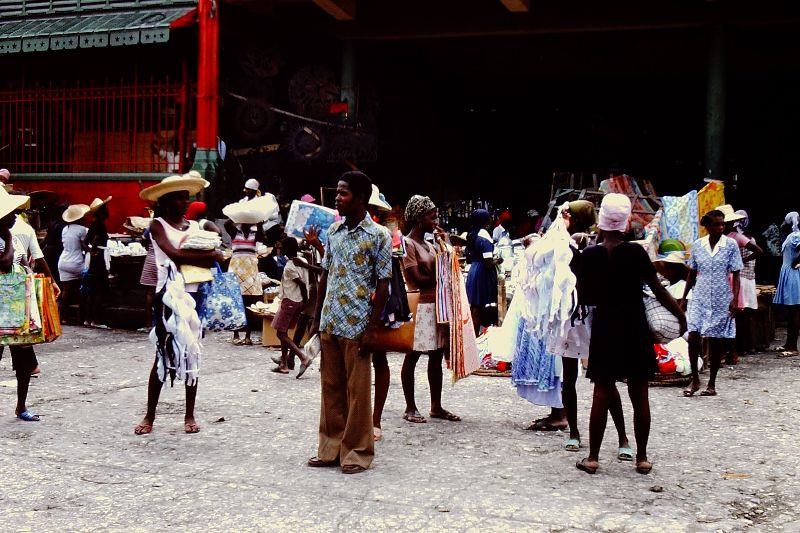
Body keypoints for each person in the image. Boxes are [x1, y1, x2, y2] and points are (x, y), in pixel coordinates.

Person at [576, 193, 685, 475]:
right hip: (634, 324)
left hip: (605, 326)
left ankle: (593, 457)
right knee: (639, 393)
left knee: (602, 391)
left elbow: (584, 297)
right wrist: (681, 316)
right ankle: (642, 457)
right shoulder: (636, 253)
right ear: (626, 223)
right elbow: (658, 289)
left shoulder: (589, 255)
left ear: (601, 221)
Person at [307, 171, 392, 474]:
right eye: (337, 192)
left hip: (357, 325)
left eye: (343, 193)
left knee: (358, 393)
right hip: (330, 321)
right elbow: (325, 275)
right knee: (330, 389)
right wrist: (316, 318)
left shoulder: (379, 236)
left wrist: (372, 329)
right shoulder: (333, 232)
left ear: (360, 198)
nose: (337, 198)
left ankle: (356, 452)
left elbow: (383, 284)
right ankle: (330, 448)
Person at [133, 172, 223, 436]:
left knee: (191, 351)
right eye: (180, 198)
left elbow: (210, 257)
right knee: (163, 353)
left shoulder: (194, 227)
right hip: (168, 297)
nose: (185, 202)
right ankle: (150, 415)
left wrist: (206, 255)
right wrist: (209, 254)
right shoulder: (157, 225)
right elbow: (173, 254)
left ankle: (189, 414)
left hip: (194, 295)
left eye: (187, 197)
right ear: (166, 201)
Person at [400, 195, 460, 426]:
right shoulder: (408, 244)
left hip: (436, 305)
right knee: (413, 354)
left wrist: (445, 246)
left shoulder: (430, 245)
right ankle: (410, 406)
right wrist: (442, 270)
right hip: (420, 305)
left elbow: (442, 271)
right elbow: (417, 278)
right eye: (431, 217)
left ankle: (436, 406)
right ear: (419, 218)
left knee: (436, 355)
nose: (435, 221)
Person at [0, 188, 56, 421]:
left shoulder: (10, 235)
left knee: (23, 360)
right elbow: (5, 263)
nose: (16, 215)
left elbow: (23, 261)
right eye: (11, 213)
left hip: (17, 307)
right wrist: (9, 239)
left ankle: (21, 406)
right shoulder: (6, 237)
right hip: (2, 308)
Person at [681, 209, 743, 397]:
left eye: (722, 224)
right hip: (699, 296)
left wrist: (734, 299)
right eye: (717, 224)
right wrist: (684, 297)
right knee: (693, 336)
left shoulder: (730, 245)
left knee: (716, 341)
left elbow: (736, 273)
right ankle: (695, 379)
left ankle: (712, 384)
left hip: (721, 297)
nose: (721, 227)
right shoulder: (698, 245)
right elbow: (692, 272)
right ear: (707, 226)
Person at [721, 207, 763, 363]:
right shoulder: (722, 237)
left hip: (738, 278)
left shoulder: (737, 237)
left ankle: (739, 348)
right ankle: (735, 349)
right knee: (734, 315)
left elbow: (758, 251)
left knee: (738, 315)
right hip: (726, 279)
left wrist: (740, 261)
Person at [270, 237, 315, 376]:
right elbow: (309, 279)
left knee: (280, 333)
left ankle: (303, 357)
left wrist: (305, 299)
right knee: (284, 332)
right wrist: (304, 301)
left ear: (286, 249)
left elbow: (301, 284)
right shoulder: (303, 261)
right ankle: (283, 364)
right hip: (298, 301)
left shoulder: (290, 266)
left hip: (290, 301)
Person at [225, 217, 265, 346]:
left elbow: (263, 238)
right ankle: (236, 334)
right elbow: (227, 224)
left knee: (249, 303)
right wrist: (236, 215)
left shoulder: (255, 233)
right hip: (236, 270)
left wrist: (259, 223)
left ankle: (248, 335)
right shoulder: (235, 232)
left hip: (250, 270)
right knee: (236, 302)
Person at [465, 209, 500, 336]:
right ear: (485, 221)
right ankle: (475, 337)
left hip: (474, 270)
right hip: (482, 273)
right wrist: (498, 260)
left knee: (475, 307)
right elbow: (488, 262)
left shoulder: (472, 235)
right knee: (478, 309)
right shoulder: (484, 237)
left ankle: (473, 336)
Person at [772, 211, 800, 355]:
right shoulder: (790, 236)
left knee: (794, 311)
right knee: (790, 312)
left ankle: (793, 347)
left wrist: (797, 261)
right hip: (788, 274)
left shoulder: (796, 236)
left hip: (793, 275)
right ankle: (789, 343)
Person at [58, 203, 90, 324]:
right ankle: (82, 317)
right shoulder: (83, 230)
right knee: (83, 289)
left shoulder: (64, 229)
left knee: (66, 290)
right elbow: (84, 245)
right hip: (77, 263)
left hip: (63, 262)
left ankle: (64, 317)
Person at [83, 197, 112, 329]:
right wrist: (95, 250)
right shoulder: (100, 225)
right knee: (99, 290)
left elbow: (85, 242)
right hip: (99, 259)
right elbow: (95, 239)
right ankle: (96, 320)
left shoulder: (93, 224)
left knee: (92, 290)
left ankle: (87, 319)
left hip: (94, 259)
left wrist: (90, 251)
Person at [42, 204, 67, 285]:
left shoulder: (52, 224)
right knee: (58, 278)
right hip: (59, 253)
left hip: (50, 253)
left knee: (51, 276)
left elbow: (46, 240)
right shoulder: (64, 227)